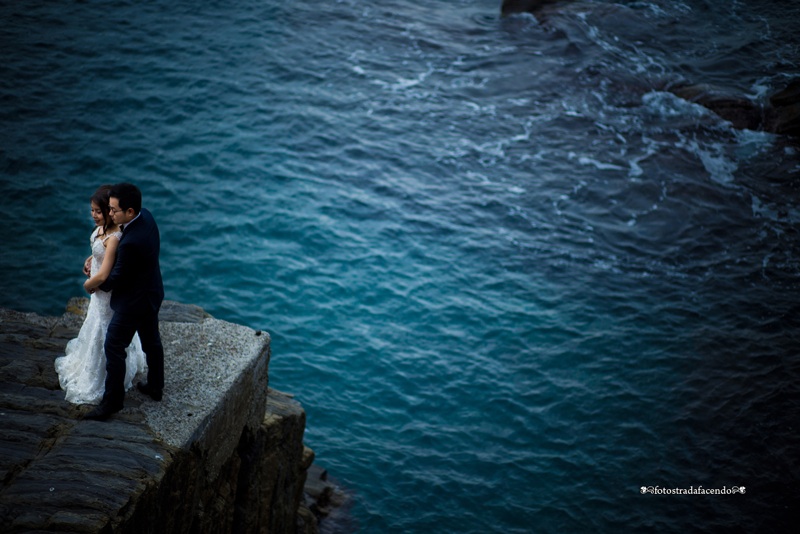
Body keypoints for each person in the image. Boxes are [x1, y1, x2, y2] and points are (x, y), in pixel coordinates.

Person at [55, 185, 147, 405]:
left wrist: (88, 284)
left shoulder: (114, 236)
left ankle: (103, 377)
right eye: (92, 210)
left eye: (98, 211)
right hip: (97, 289)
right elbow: (99, 251)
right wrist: (90, 259)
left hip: (105, 293)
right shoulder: (102, 230)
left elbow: (105, 272)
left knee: (104, 328)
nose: (93, 215)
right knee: (94, 322)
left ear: (109, 212)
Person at [85, 183, 165, 421]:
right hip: (152, 291)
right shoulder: (146, 216)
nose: (110, 215)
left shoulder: (130, 242)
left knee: (113, 346)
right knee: (152, 340)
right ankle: (156, 386)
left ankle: (112, 402)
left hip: (134, 301)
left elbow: (116, 278)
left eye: (114, 210)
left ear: (129, 211)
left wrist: (94, 284)